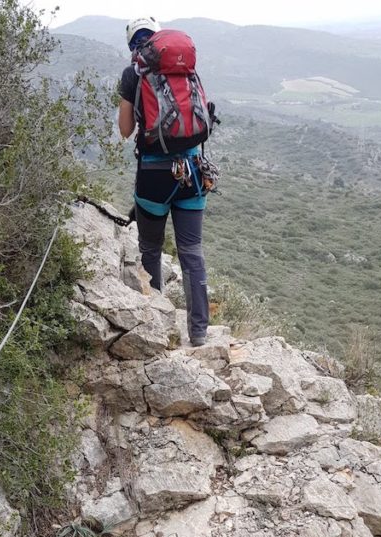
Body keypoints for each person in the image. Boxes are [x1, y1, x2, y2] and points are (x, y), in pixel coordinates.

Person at [118, 16, 212, 346]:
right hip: (193, 172)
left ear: (133, 44)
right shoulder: (187, 71)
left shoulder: (133, 73)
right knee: (192, 253)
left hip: (154, 176)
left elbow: (125, 130)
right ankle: (199, 333)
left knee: (150, 249)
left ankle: (155, 326)